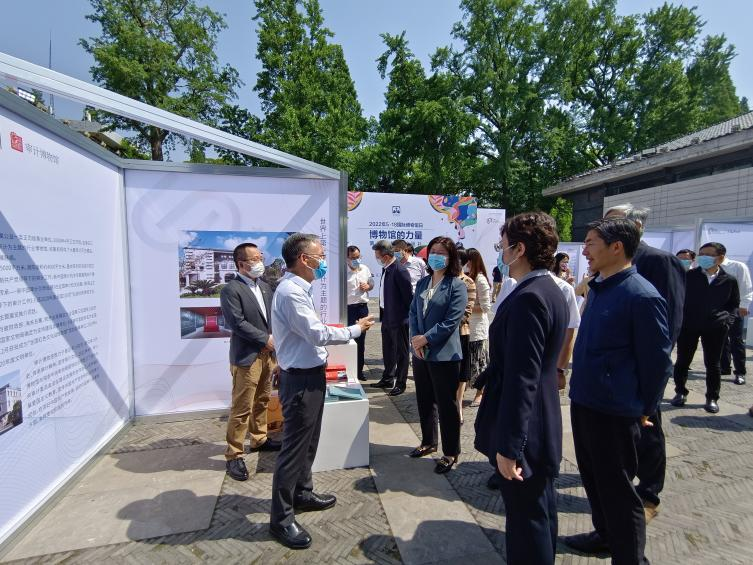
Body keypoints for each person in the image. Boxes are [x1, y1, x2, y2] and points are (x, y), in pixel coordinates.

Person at [563, 218, 672, 563]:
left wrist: (646, 407)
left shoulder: (641, 295)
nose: (584, 251)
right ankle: (605, 536)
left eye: (591, 243)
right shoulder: (598, 287)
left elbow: (657, 363)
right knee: (594, 480)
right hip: (585, 400)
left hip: (615, 411)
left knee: (618, 490)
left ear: (616, 247)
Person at [269, 233, 374, 549]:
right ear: (304, 259)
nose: (324, 262)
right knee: (293, 449)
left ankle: (302, 492)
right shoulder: (291, 292)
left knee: (309, 442)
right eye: (320, 256)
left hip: (309, 376)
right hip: (300, 381)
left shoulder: (299, 289)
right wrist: (355, 329)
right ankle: (281, 519)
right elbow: (315, 333)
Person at [474, 212, 568, 565]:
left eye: (503, 245)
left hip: (527, 426)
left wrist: (510, 447)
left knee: (527, 519)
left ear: (519, 249)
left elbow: (522, 378)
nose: (501, 252)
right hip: (540, 417)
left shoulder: (531, 296)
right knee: (539, 512)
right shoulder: (547, 289)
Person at [604, 203, 686, 523]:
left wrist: (653, 366)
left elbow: (670, 320)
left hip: (641, 365)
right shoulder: (608, 260)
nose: (605, 230)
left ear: (636, 226)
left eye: (613, 223)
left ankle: (649, 492)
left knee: (648, 427)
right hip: (611, 364)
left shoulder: (659, 261)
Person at [220, 243, 281, 482]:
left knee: (263, 400)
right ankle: (234, 454)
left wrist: (273, 340)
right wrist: (265, 339)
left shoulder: (264, 286)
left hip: (267, 356)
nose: (259, 262)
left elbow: (271, 318)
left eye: (260, 257)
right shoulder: (231, 289)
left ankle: (259, 438)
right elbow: (237, 323)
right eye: (254, 259)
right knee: (242, 406)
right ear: (241, 264)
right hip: (247, 357)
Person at [408, 236, 468, 474]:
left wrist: (426, 338)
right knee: (424, 399)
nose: (436, 256)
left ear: (451, 257)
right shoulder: (423, 283)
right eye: (433, 251)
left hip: (444, 354)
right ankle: (428, 441)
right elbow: (413, 312)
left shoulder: (457, 285)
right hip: (421, 353)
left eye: (442, 252)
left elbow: (451, 321)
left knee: (446, 405)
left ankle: (451, 452)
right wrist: (416, 338)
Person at [670, 243, 740, 413]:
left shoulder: (729, 280)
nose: (703, 257)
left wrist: (727, 321)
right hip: (689, 325)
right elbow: (678, 298)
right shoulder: (689, 276)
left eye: (708, 254)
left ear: (720, 258)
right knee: (683, 360)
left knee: (713, 364)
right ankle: (680, 392)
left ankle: (712, 397)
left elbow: (733, 304)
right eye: (701, 254)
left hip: (715, 327)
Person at [372, 240, 413, 396]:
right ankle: (388, 378)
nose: (377, 259)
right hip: (387, 316)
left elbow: (408, 297)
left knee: (401, 352)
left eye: (378, 256)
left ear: (386, 256)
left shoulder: (399, 270)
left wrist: (405, 317)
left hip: (399, 318)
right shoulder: (386, 269)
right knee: (387, 349)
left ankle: (401, 383)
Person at [719, 253, 751, 385]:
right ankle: (724, 367)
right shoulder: (706, 269)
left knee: (736, 340)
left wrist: (744, 306)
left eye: (710, 254)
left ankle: (740, 372)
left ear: (721, 255)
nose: (705, 257)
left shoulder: (737, 266)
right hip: (716, 310)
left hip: (734, 309)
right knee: (720, 339)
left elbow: (746, 287)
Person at [466, 248, 491, 407]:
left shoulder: (480, 280)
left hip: (477, 329)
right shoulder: (465, 277)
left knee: (479, 362)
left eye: (467, 261)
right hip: (465, 327)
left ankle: (480, 393)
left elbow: (485, 307)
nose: (465, 264)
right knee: (467, 362)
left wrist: (466, 307)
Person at [346, 245, 374, 381]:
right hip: (348, 309)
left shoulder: (365, 268)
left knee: (361, 341)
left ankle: (359, 371)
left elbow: (371, 283)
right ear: (347, 258)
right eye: (353, 258)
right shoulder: (342, 272)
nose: (356, 260)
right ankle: (348, 370)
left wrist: (368, 286)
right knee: (348, 339)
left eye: (358, 257)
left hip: (362, 308)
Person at [457, 249, 477, 424]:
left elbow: (467, 311)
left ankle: (458, 406)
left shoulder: (468, 282)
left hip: (460, 333)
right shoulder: (442, 280)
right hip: (441, 336)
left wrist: (445, 326)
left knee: (461, 374)